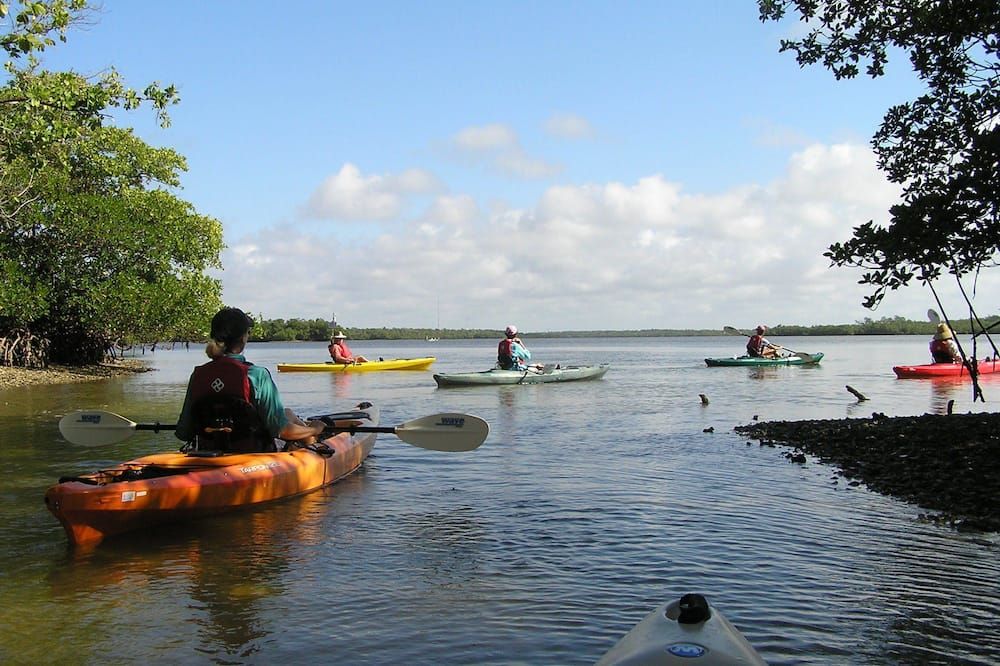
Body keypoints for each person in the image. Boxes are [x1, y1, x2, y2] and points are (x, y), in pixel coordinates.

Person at [176, 307, 326, 453]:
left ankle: (313, 443)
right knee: (288, 418)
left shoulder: (198, 375)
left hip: (207, 452)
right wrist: (315, 428)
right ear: (243, 337)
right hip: (253, 454)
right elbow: (282, 431)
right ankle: (315, 445)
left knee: (287, 413)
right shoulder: (257, 375)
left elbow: (184, 432)